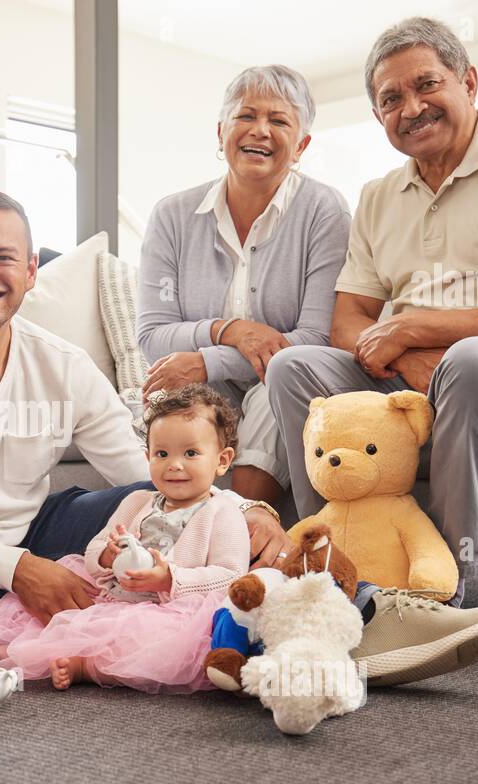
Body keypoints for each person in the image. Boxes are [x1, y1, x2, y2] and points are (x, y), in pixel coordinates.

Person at [0, 187, 295, 667]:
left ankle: (339, 605)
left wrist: (246, 508)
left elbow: (138, 466)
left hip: (38, 527)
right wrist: (19, 571)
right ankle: (124, 623)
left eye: (3, 257)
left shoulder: (62, 363)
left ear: (30, 271)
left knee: (190, 507)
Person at [266, 17, 478, 620]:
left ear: (468, 82)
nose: (411, 107)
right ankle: (329, 575)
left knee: (473, 361)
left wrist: (419, 329)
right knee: (296, 368)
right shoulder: (377, 196)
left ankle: (440, 596)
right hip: (420, 369)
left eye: (427, 85)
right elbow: (348, 321)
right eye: (390, 99)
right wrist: (407, 354)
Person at [137, 64, 351, 505]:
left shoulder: (325, 211)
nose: (260, 131)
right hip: (206, 392)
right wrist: (227, 331)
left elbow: (316, 339)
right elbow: (153, 337)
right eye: (246, 116)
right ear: (221, 132)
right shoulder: (171, 215)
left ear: (301, 145)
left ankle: (245, 531)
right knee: (159, 400)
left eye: (278, 121)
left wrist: (207, 360)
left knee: (278, 379)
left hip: (285, 387)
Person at [0, 384, 250, 694]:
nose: (174, 465)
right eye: (162, 454)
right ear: (148, 456)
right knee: (65, 608)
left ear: (222, 460)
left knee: (148, 641)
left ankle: (88, 666)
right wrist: (107, 556)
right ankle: (24, 650)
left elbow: (230, 576)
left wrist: (169, 579)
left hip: (172, 608)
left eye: (190, 453)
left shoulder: (224, 512)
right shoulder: (137, 501)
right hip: (114, 596)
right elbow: (93, 549)